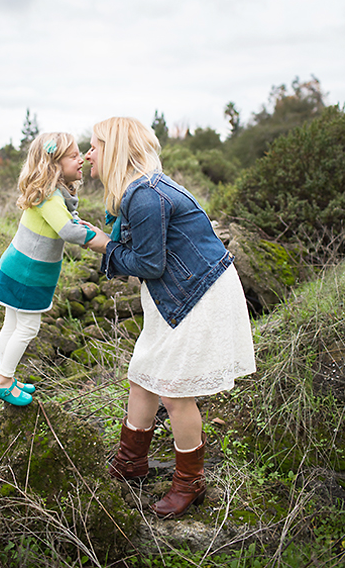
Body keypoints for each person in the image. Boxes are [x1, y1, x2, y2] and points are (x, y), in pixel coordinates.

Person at [84, 116, 255, 519]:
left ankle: (189, 483)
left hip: (198, 293)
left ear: (115, 149)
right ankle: (131, 464)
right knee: (143, 373)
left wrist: (101, 243)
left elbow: (148, 264)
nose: (89, 152)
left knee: (175, 391)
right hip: (177, 292)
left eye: (94, 145)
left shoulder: (146, 194)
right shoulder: (139, 189)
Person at [0, 132, 97, 406]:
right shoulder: (49, 197)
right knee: (27, 328)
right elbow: (68, 231)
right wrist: (103, 243)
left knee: (11, 325)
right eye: (73, 156)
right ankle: (2, 382)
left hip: (17, 267)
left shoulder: (50, 194)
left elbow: (67, 220)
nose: (82, 158)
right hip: (28, 275)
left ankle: (7, 377)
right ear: (54, 165)